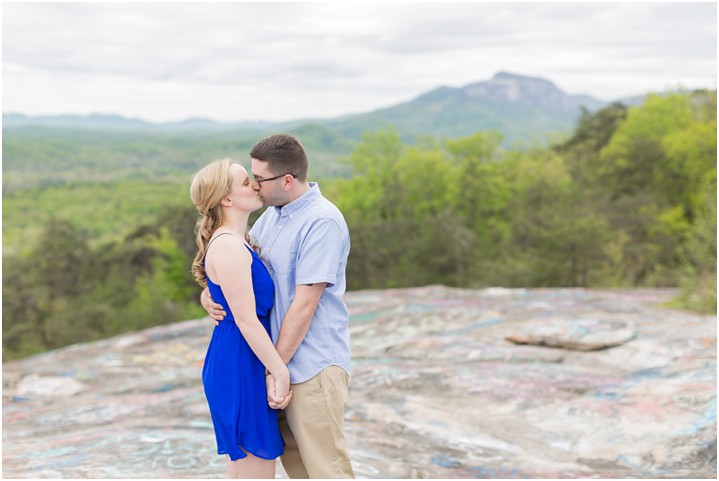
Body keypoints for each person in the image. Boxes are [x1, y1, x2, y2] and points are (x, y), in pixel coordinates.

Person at [201, 134, 355, 478]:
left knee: (327, 469)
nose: (255, 186)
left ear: (287, 180)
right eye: (250, 178)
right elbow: (240, 275)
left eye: (259, 179)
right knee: (298, 470)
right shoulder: (271, 216)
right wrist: (211, 294)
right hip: (271, 366)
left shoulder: (322, 221)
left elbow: (304, 304)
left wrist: (275, 369)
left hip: (310, 366)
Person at [190, 158, 292, 479]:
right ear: (227, 199)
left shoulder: (238, 240)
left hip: (241, 356)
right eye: (246, 181)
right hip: (240, 362)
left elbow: (222, 293)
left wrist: (207, 294)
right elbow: (246, 320)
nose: (255, 185)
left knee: (245, 471)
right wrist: (279, 371)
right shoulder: (229, 246)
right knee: (255, 470)